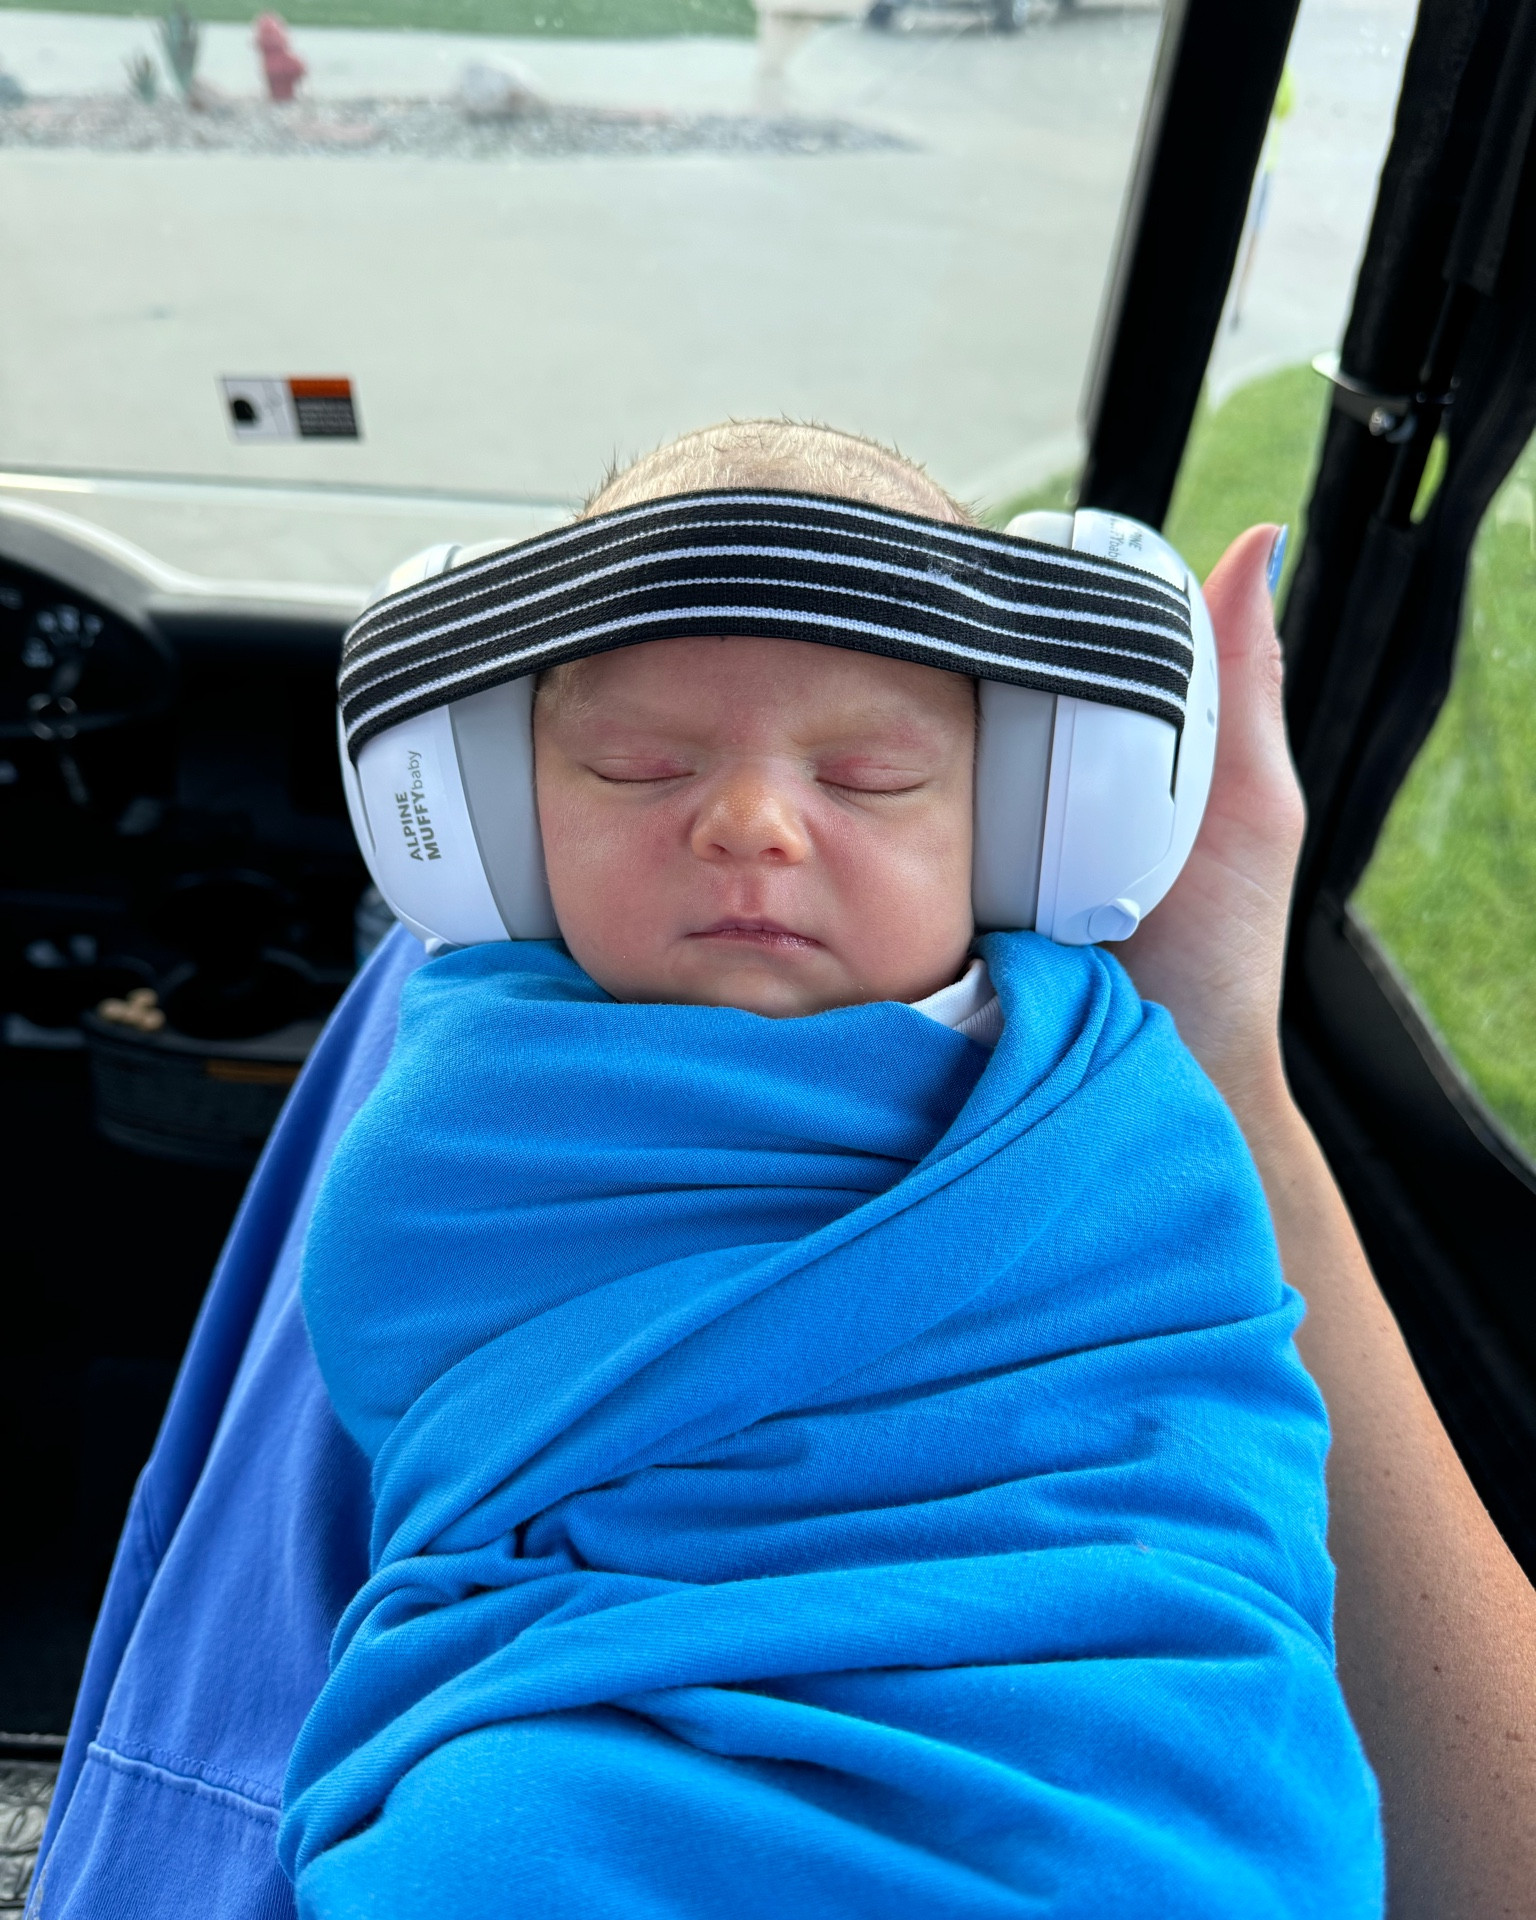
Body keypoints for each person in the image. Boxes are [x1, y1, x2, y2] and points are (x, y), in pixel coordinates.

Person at [282, 422, 1382, 1916]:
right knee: (495, 1826)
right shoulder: (483, 1107)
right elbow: (438, 1382)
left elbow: (1185, 1425)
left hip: (1095, 1716)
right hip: (609, 1713)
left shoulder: (1106, 1101)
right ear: (490, 822)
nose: (747, 822)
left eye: (867, 776)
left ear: (1034, 824)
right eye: (636, 764)